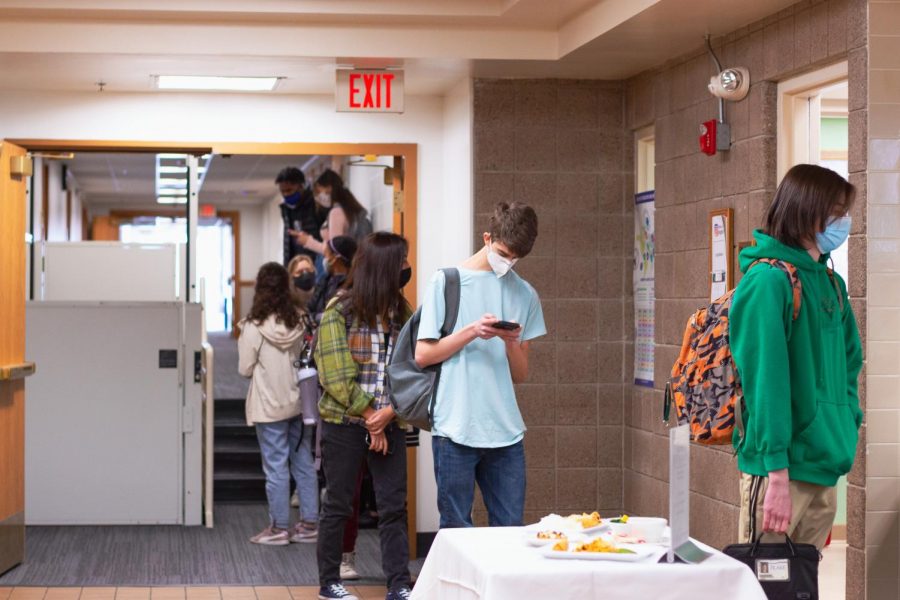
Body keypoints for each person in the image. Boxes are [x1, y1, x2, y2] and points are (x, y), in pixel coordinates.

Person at [730, 164, 862, 550]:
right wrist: (776, 474)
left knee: (802, 587)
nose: (844, 221)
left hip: (824, 464)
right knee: (765, 586)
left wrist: (846, 426)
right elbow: (765, 381)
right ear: (806, 211)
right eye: (836, 210)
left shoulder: (831, 284)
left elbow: (850, 366)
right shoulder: (767, 280)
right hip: (779, 472)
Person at [415, 202, 545, 528]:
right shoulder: (446, 282)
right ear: (487, 237)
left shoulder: (525, 294)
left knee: (510, 532)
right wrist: (472, 331)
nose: (509, 262)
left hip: (506, 433)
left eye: (516, 258)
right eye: (504, 252)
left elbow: (520, 374)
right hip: (454, 429)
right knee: (457, 532)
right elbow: (423, 355)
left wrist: (510, 342)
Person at [314, 232, 413, 600]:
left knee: (393, 507)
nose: (406, 268)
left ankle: (399, 584)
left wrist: (386, 415)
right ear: (384, 267)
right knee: (338, 503)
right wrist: (371, 415)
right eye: (402, 261)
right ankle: (329, 583)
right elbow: (336, 375)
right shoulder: (339, 310)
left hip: (390, 421)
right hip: (345, 424)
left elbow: (414, 370)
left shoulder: (404, 314)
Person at [238, 262, 319, 546]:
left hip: (268, 405)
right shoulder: (300, 319)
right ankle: (309, 524)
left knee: (275, 467)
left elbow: (245, 368)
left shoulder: (254, 326)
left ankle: (279, 528)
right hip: (299, 403)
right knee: (303, 462)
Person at [290, 169, 372, 255]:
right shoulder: (351, 210)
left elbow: (335, 250)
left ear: (329, 188)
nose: (317, 197)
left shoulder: (336, 212)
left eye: (318, 192)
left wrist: (308, 241)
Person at [276, 167, 327, 268]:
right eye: (282, 191)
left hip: (317, 263)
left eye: (289, 190)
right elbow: (288, 243)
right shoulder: (285, 210)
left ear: (301, 186)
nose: (286, 194)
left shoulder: (316, 205)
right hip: (295, 264)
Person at [307, 236, 358, 320]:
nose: (324, 259)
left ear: (336, 258)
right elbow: (310, 309)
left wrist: (319, 317)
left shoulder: (352, 285)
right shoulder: (324, 281)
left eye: (326, 255)